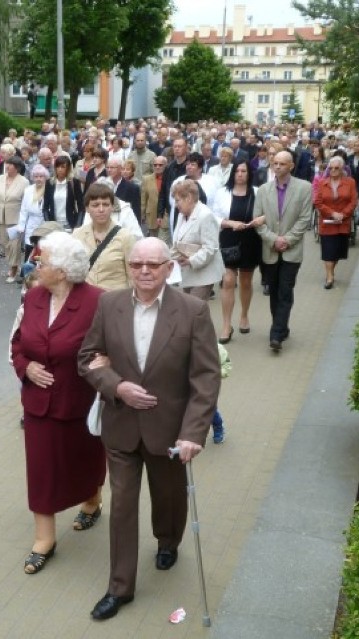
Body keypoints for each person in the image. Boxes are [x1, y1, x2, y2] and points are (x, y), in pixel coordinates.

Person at [78, 237, 220, 621]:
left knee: (169, 496)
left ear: (168, 268)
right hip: (121, 427)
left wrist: (193, 432)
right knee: (122, 506)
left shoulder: (192, 311)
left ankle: (168, 540)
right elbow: (87, 358)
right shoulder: (109, 305)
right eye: (137, 264)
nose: (143, 271)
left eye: (153, 265)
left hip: (169, 429)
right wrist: (116, 386)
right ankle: (119, 587)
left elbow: (206, 376)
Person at [10, 232, 106, 574]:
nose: (36, 264)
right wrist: (27, 367)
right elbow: (17, 344)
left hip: (80, 401)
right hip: (37, 403)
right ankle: (44, 538)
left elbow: (112, 347)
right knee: (41, 469)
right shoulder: (34, 297)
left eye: (44, 261)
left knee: (85, 461)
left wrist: (105, 365)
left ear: (63, 271)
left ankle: (92, 502)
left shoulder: (98, 301)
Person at [255, 151, 314, 353]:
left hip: (292, 250)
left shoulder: (304, 188)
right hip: (270, 250)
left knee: (285, 291)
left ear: (291, 166)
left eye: (282, 163)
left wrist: (287, 240)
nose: (277, 167)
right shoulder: (263, 190)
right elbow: (258, 221)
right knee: (274, 291)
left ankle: (276, 334)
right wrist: (274, 239)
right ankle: (282, 326)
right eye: (275, 163)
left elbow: (305, 219)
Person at [212, 161, 262, 343]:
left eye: (244, 171)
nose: (240, 174)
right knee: (228, 281)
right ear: (232, 173)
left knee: (246, 281)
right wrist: (230, 223)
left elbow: (264, 213)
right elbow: (214, 215)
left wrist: (258, 220)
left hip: (250, 239)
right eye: (237, 171)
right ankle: (226, 325)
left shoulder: (257, 192)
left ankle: (244, 315)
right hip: (228, 238)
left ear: (249, 174)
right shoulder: (222, 193)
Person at [72, 183, 136, 291]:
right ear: (87, 208)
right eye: (95, 205)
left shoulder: (125, 237)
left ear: (112, 207)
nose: (101, 209)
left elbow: (133, 276)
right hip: (87, 300)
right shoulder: (77, 235)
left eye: (106, 204)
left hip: (115, 300)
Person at [170, 179, 225, 301]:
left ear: (188, 197)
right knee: (190, 311)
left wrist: (191, 261)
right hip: (188, 273)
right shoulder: (181, 215)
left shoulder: (205, 215)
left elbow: (211, 248)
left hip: (204, 274)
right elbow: (177, 243)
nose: (175, 204)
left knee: (195, 312)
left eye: (177, 200)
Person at [0, 155, 29, 283]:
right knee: (4, 243)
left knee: (14, 245)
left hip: (16, 219)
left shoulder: (24, 182)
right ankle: (12, 264)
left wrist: (24, 221)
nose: (7, 167)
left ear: (17, 168)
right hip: (1, 218)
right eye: (6, 164)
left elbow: (26, 202)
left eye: (10, 165)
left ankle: (13, 268)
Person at [314, 156, 357, 289]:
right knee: (328, 250)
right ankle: (329, 276)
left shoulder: (350, 182)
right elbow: (318, 202)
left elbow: (353, 201)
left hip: (343, 223)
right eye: (331, 168)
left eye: (336, 168)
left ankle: (331, 271)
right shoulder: (322, 183)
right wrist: (332, 213)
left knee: (338, 252)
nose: (333, 170)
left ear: (342, 168)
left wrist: (343, 214)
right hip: (327, 222)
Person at [16, 164, 49, 260]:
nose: (38, 179)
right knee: (29, 248)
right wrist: (21, 225)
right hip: (31, 222)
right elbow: (24, 209)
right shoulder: (28, 190)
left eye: (41, 176)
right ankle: (27, 272)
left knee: (43, 249)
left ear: (45, 177)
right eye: (36, 176)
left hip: (44, 223)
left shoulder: (49, 189)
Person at [43, 155, 84, 229]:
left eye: (63, 167)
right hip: (54, 225)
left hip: (70, 224)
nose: (60, 169)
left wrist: (78, 226)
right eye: (57, 167)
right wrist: (48, 223)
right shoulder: (49, 183)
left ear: (68, 168)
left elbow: (81, 207)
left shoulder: (74, 183)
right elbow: (45, 207)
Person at [141, 156, 166, 237]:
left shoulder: (169, 178)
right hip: (151, 216)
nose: (157, 167)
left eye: (160, 165)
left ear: (165, 165)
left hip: (165, 216)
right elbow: (143, 199)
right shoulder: (146, 179)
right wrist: (142, 215)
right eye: (155, 165)